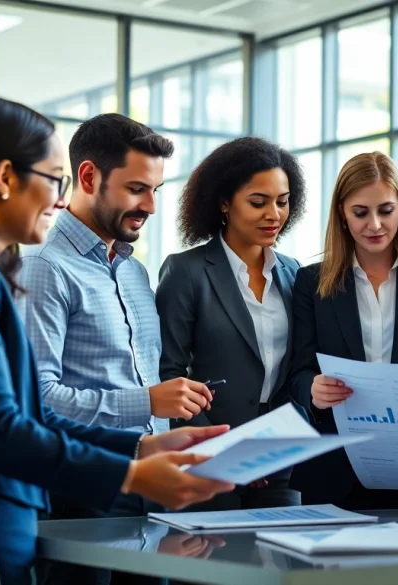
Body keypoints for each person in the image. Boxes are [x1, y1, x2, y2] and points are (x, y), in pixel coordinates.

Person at [0, 96, 234, 585]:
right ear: (4, 178)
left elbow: (30, 415)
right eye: (54, 179)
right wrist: (130, 476)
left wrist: (142, 449)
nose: (61, 199)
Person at [15, 113, 208, 584]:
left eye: (156, 191)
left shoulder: (135, 273)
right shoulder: (43, 268)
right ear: (88, 176)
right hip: (84, 489)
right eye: (137, 189)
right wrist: (147, 401)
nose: (151, 206)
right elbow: (36, 398)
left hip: (152, 481)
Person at [288, 151, 398, 510]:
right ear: (342, 213)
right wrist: (313, 389)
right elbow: (298, 369)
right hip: (336, 470)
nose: (374, 225)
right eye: (360, 212)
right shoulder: (311, 283)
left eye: (385, 210)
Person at [155, 136, 306, 511]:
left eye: (282, 202)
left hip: (278, 460)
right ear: (224, 202)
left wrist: (269, 447)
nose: (273, 214)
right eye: (258, 202)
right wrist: (223, 451)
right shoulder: (186, 272)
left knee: (279, 565)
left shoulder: (293, 273)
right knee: (213, 564)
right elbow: (169, 370)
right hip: (208, 457)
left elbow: (298, 368)